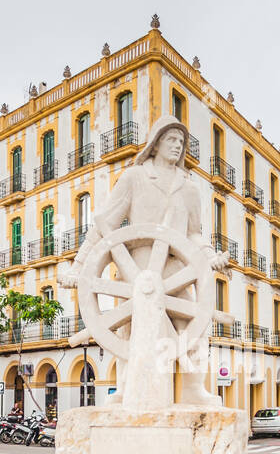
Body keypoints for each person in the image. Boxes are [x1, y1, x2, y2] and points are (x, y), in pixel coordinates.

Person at [61, 115, 227, 407]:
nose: (178, 146)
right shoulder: (134, 177)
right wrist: (78, 267)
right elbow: (104, 225)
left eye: (181, 142)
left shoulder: (188, 188)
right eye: (171, 140)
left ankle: (192, 389)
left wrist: (210, 255)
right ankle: (125, 390)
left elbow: (193, 234)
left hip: (175, 267)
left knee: (195, 324)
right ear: (156, 143)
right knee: (130, 332)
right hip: (136, 265)